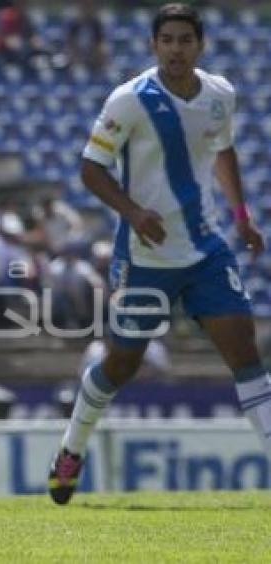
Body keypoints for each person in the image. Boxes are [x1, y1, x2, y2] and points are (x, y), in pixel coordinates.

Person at [48, 4, 267, 505]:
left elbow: (223, 150)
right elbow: (90, 169)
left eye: (184, 40)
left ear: (200, 45)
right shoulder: (129, 100)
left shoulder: (220, 95)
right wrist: (132, 211)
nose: (175, 48)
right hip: (145, 258)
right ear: (153, 45)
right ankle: (71, 450)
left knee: (246, 356)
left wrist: (241, 217)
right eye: (166, 39)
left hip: (206, 249)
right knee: (122, 365)